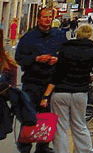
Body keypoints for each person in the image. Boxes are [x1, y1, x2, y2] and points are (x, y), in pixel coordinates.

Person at [40, 24, 93, 153]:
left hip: (61, 93)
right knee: (80, 125)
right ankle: (86, 151)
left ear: (77, 34)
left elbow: (57, 74)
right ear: (90, 35)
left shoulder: (65, 50)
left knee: (60, 128)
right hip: (79, 93)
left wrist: (45, 96)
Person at [14, 8, 66, 153]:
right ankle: (25, 147)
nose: (47, 19)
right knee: (29, 117)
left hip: (50, 83)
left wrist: (58, 59)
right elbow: (19, 58)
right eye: (44, 17)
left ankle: (42, 147)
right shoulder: (29, 37)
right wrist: (36, 59)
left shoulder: (59, 36)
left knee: (47, 118)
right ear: (38, 19)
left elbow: (65, 56)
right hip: (32, 82)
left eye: (50, 17)